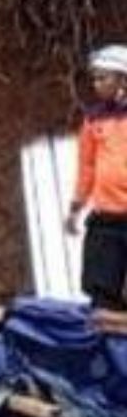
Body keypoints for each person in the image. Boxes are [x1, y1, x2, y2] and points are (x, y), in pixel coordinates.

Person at [66, 44, 127, 309]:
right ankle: (104, 347)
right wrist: (76, 207)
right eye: (95, 78)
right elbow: (86, 167)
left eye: (104, 77)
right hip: (106, 218)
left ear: (123, 79)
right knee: (101, 289)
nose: (97, 84)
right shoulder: (94, 120)